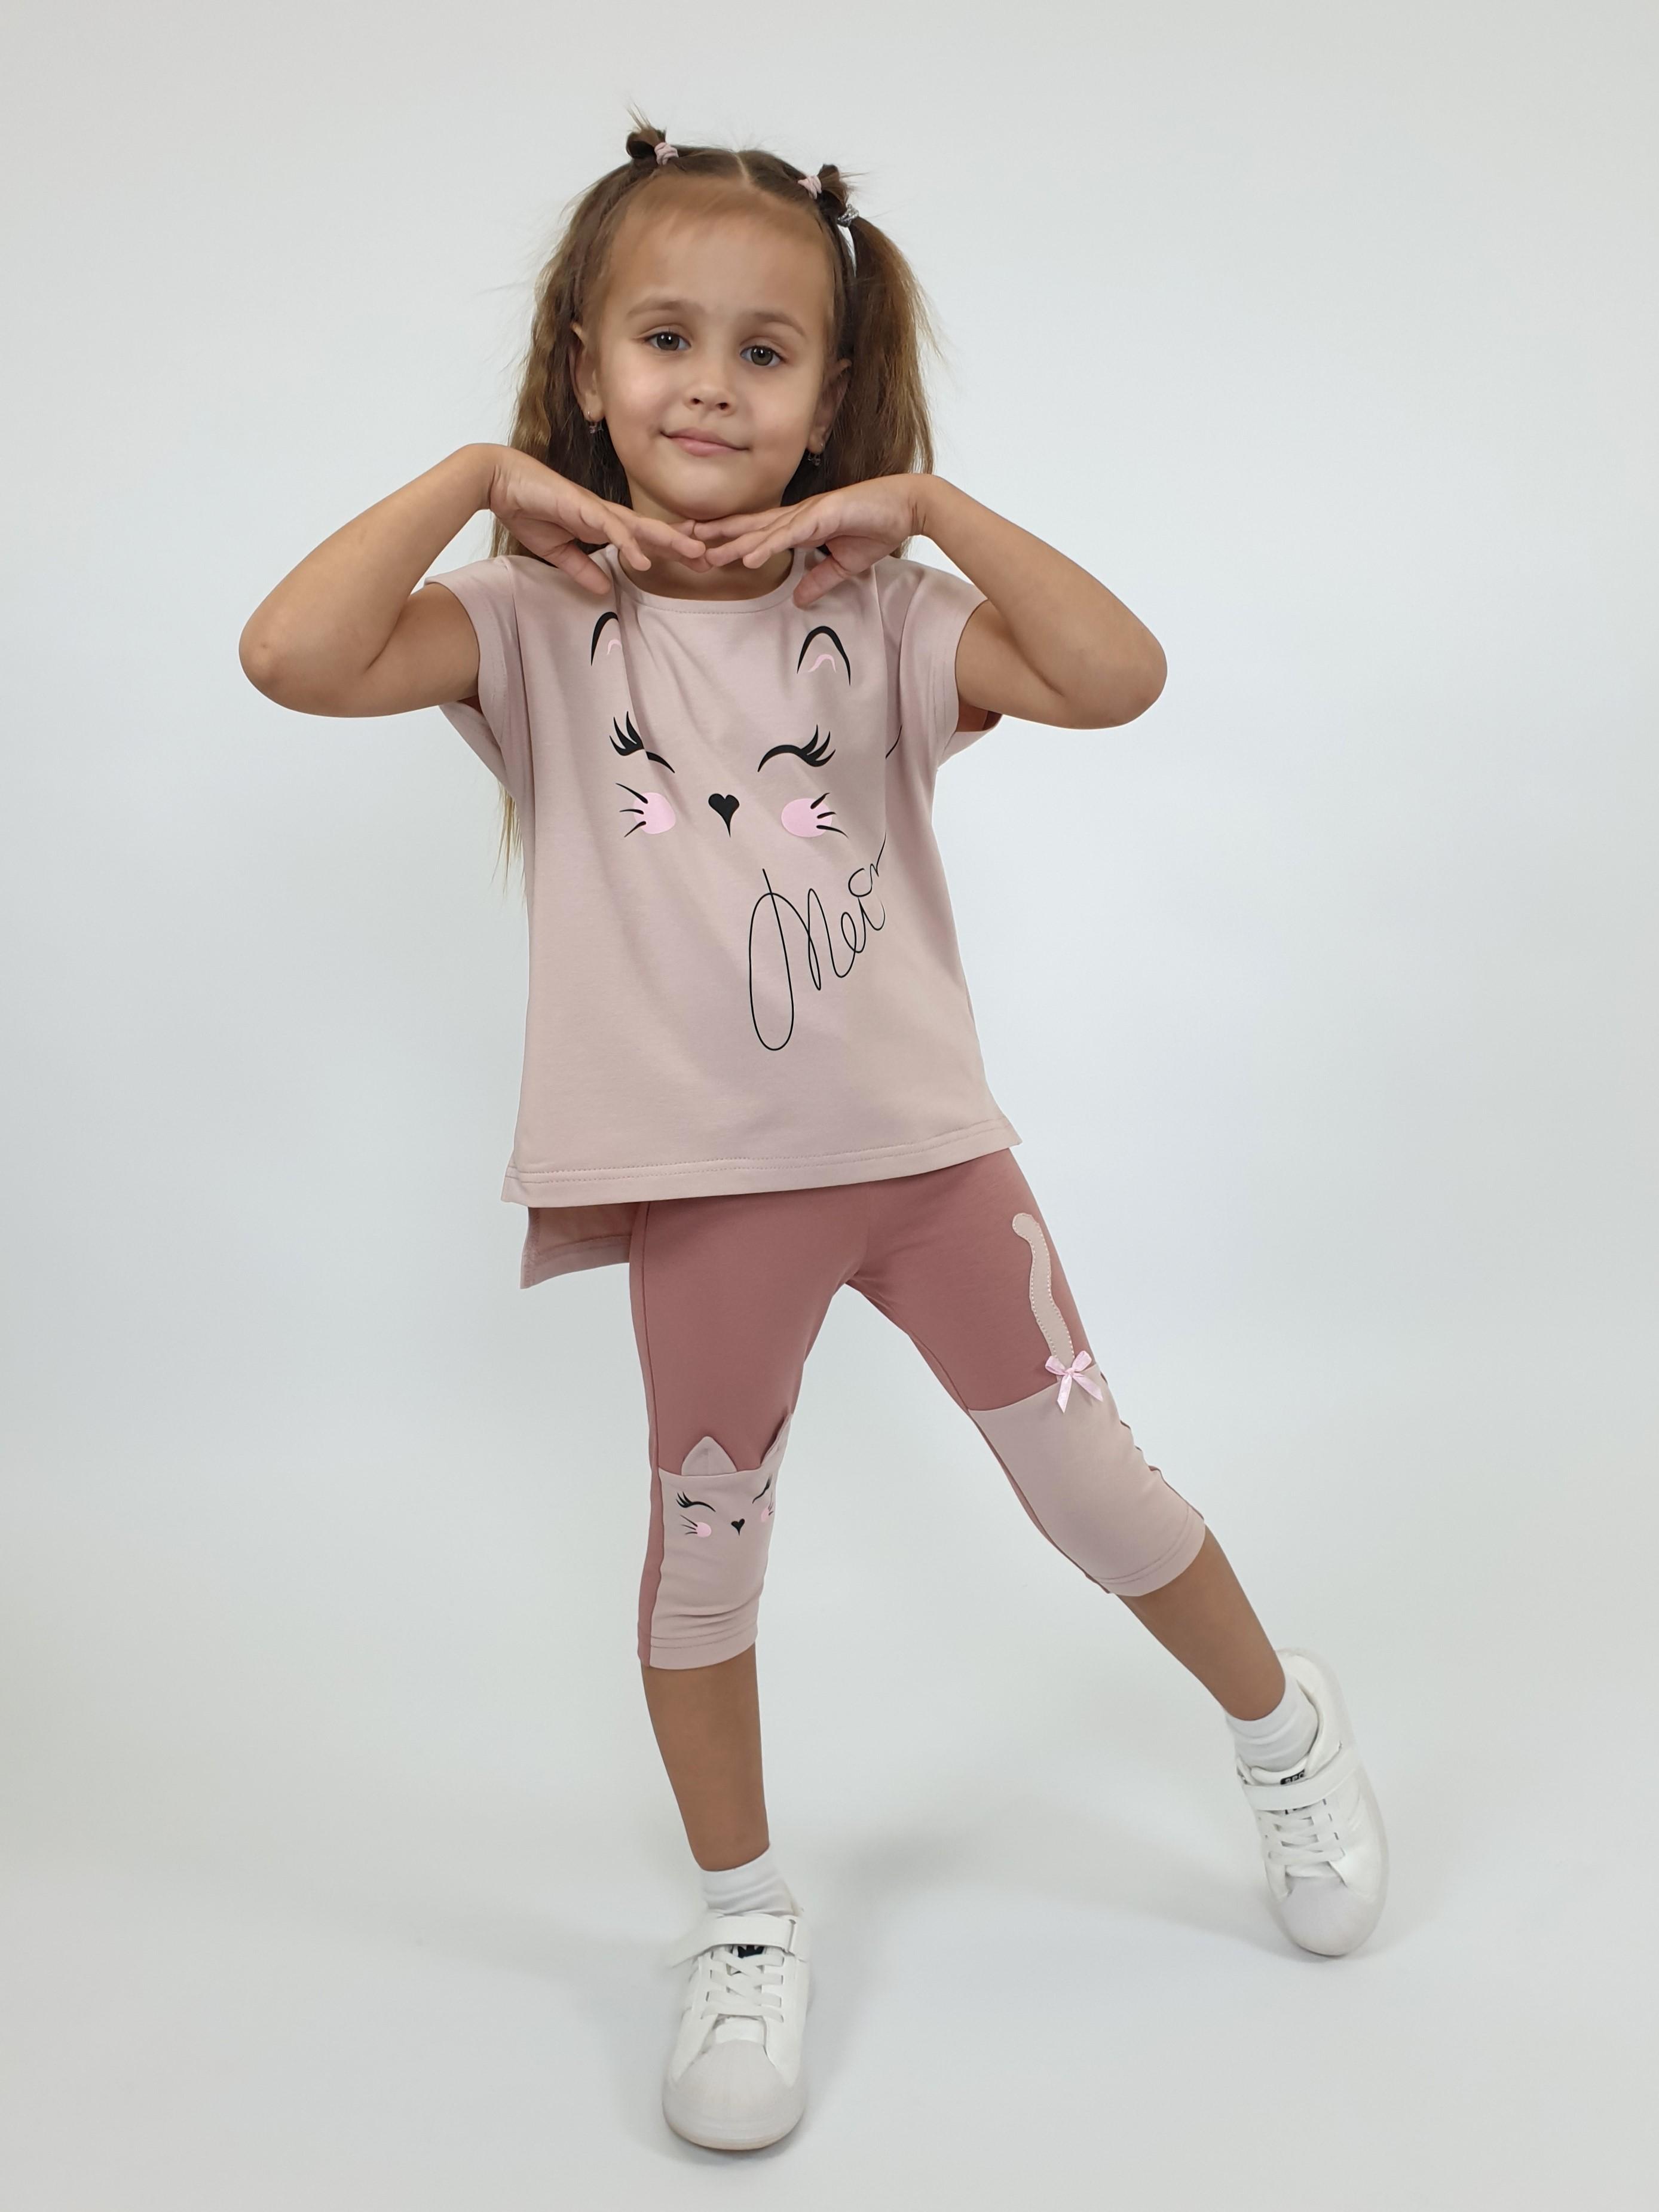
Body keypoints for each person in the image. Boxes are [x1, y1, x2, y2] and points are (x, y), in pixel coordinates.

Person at [239, 119, 1388, 2154]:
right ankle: (749, 1919)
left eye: (766, 352)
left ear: (830, 396)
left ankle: (1285, 1733)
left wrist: (923, 507)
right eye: (664, 338)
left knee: (1099, 1493)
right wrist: (482, 480)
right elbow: (291, 655)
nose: (710, 384)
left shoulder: (892, 611)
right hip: (708, 1196)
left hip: (928, 1163)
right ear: (587, 364)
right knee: (705, 1565)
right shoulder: (531, 619)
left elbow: (1118, 676)